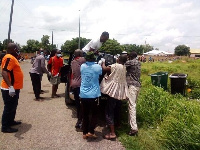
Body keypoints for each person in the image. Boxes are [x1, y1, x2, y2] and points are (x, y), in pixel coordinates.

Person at [100, 54, 128, 140]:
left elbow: (104, 69)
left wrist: (103, 62)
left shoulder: (115, 66)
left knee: (109, 111)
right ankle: (118, 125)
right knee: (117, 109)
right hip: (120, 92)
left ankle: (112, 133)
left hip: (113, 92)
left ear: (118, 59)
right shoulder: (124, 67)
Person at [1, 43, 23, 133]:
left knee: (13, 106)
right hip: (9, 88)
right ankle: (5, 126)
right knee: (9, 107)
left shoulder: (13, 57)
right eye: (17, 48)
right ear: (14, 49)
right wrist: (10, 87)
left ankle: (11, 121)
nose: (18, 49)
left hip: (15, 87)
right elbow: (4, 72)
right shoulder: (9, 57)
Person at [80, 52, 102, 139]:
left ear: (86, 59)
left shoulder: (82, 66)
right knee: (94, 114)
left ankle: (85, 133)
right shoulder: (98, 67)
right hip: (94, 95)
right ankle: (91, 131)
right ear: (94, 59)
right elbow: (100, 74)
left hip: (83, 94)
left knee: (85, 114)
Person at [125, 51, 141, 136]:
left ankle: (134, 128)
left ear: (130, 56)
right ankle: (130, 124)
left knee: (132, 106)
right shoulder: (138, 62)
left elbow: (121, 64)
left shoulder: (130, 62)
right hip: (137, 86)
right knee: (132, 105)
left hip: (132, 86)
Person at [70, 49, 86, 130]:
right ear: (80, 54)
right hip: (81, 84)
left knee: (78, 103)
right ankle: (81, 121)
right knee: (83, 103)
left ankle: (79, 118)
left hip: (74, 84)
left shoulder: (73, 61)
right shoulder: (83, 60)